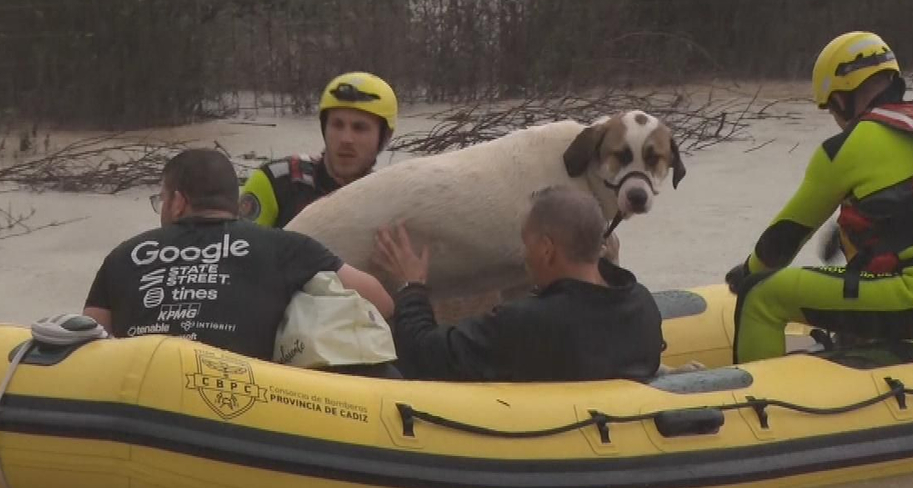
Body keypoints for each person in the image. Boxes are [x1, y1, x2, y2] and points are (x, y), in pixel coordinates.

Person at [724, 31, 913, 363]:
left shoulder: (851, 144)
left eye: (831, 109)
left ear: (841, 98)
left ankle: (757, 402)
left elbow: (780, 243)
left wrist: (745, 274)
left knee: (762, 294)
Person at [84, 148, 394, 359]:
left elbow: (88, 343)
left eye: (161, 199)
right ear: (234, 201)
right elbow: (379, 301)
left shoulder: (124, 256)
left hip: (138, 405)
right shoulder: (286, 247)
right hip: (245, 407)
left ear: (178, 201)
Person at [373, 184, 664, 383]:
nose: (524, 257)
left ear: (547, 249)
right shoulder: (642, 306)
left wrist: (411, 286)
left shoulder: (528, 322)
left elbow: (423, 356)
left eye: (527, 244)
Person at [238, 72, 398, 228]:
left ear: (385, 136)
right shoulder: (275, 182)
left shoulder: (391, 202)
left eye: (359, 128)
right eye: (337, 125)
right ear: (324, 127)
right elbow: (235, 249)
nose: (346, 139)